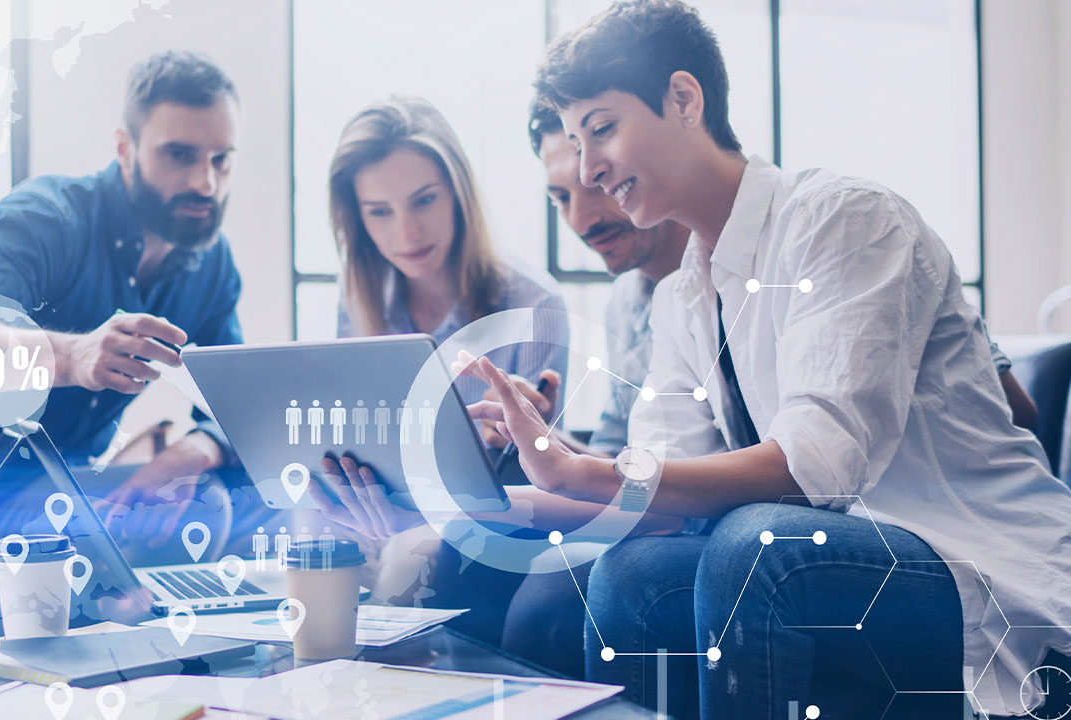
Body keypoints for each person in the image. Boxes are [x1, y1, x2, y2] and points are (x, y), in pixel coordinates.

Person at [451, 2, 1068, 716]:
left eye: (602, 130)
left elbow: (819, 464)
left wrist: (588, 471)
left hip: (976, 563)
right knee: (632, 573)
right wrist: (485, 498)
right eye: (574, 143)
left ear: (684, 98)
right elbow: (658, 499)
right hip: (850, 560)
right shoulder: (683, 296)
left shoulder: (844, 219)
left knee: (757, 546)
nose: (590, 170)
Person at [0, 51, 252, 578]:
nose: (205, 183)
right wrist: (71, 355)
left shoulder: (212, 264)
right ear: (125, 148)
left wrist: (195, 450)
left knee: (209, 501)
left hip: (55, 497)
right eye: (180, 155)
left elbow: (234, 404)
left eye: (220, 159)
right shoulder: (48, 217)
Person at [328, 95, 570, 410]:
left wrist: (523, 444)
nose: (407, 234)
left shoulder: (535, 306)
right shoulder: (356, 298)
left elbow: (543, 454)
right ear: (357, 220)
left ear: (458, 194)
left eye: (425, 201)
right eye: (379, 212)